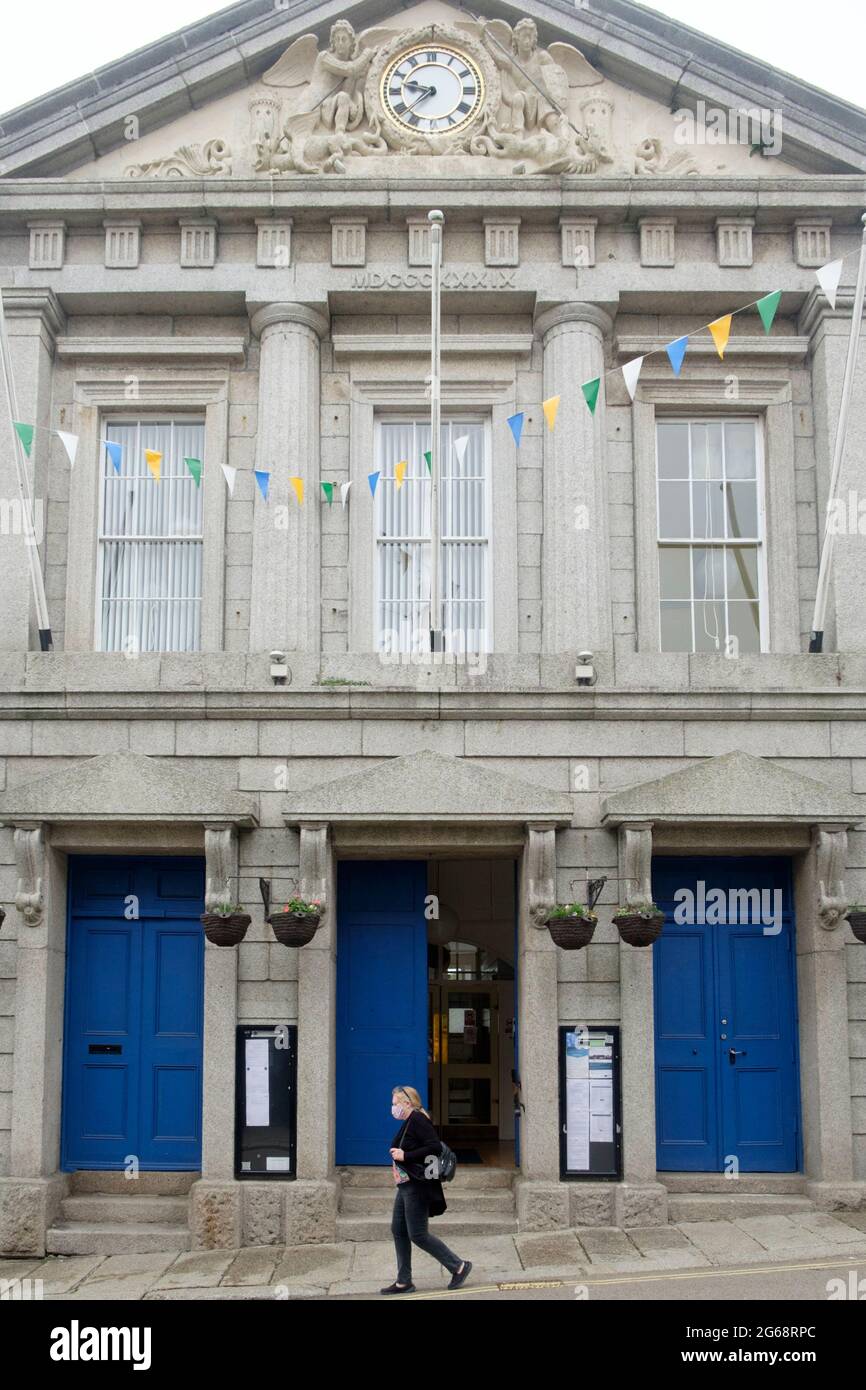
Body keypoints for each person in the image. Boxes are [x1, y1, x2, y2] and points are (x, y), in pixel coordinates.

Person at [381, 1084, 473, 1295]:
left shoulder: (419, 1120)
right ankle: (404, 1281)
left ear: (407, 1103)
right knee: (399, 1230)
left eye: (395, 1103)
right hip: (405, 1185)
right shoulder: (409, 1122)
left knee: (418, 1234)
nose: (392, 1107)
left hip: (417, 1186)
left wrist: (406, 1156)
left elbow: (434, 1147)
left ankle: (458, 1266)